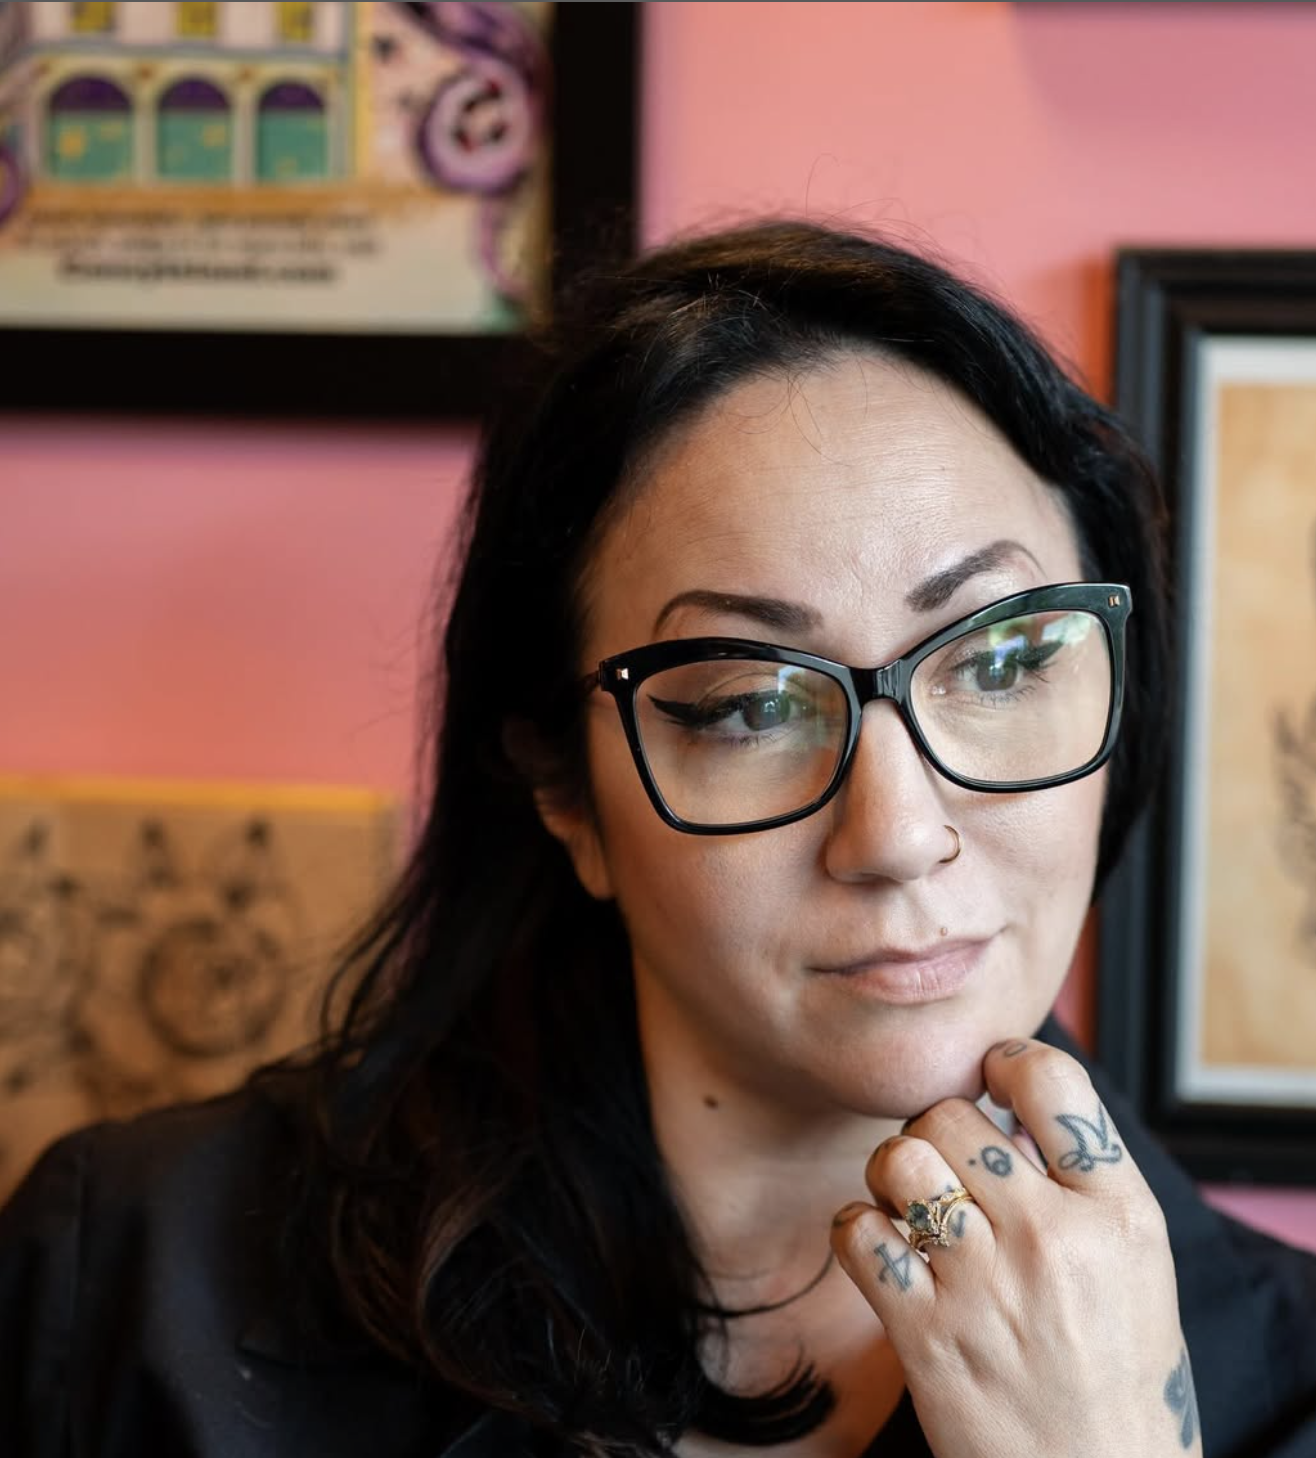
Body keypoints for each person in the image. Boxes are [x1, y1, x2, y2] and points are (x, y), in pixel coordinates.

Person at [2, 220, 1314, 1458]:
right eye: (749, 704)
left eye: (1004, 659)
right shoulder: (128, 1274)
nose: (900, 832)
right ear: (563, 790)